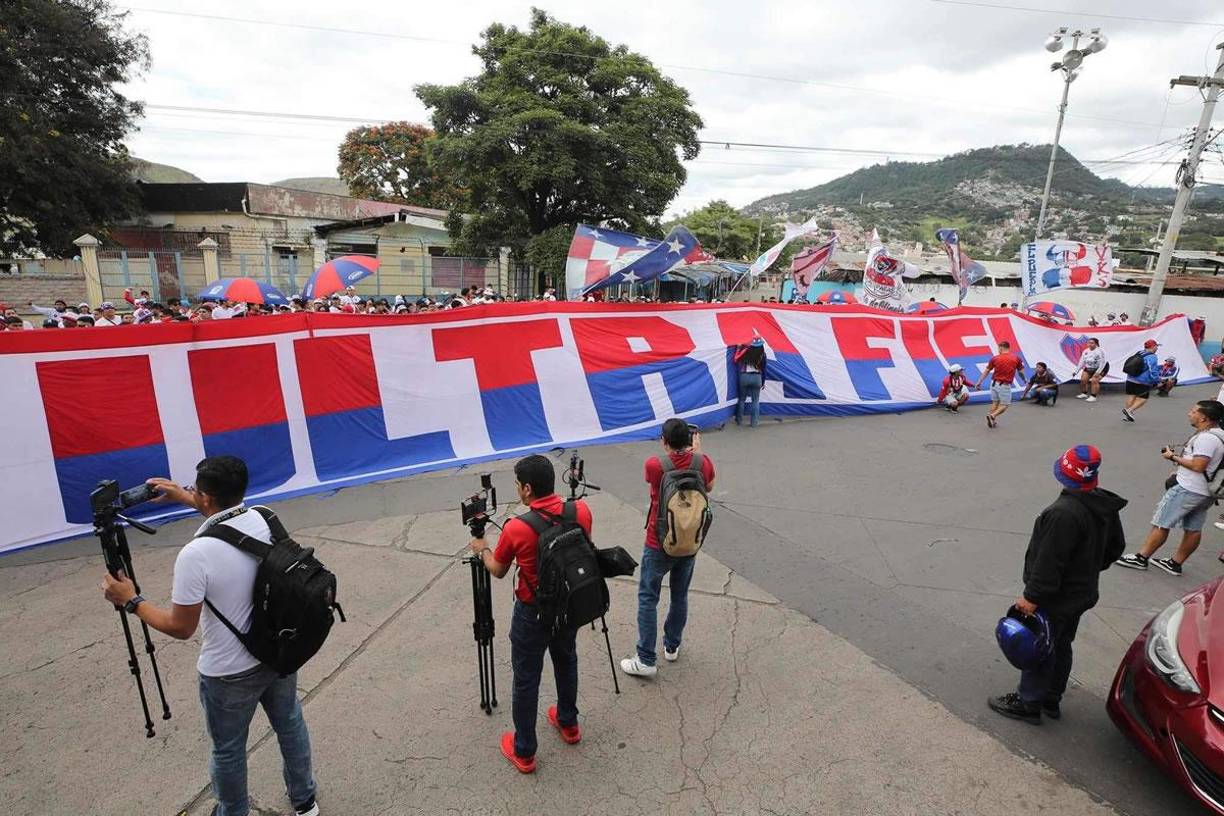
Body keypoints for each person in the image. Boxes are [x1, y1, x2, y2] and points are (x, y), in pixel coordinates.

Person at [100, 456, 320, 816]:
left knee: (228, 749)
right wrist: (184, 497)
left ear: (205, 497)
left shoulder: (196, 555)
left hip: (228, 673)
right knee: (290, 723)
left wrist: (131, 601)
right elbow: (228, 521)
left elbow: (180, 627)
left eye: (195, 492)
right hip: (279, 651)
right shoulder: (265, 517)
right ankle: (305, 801)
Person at [468, 455, 591, 774]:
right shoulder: (581, 511)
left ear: (526, 488)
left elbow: (496, 569)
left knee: (526, 679)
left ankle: (524, 751)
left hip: (531, 613)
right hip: (568, 606)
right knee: (567, 660)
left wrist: (481, 547)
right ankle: (569, 723)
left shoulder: (517, 528)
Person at [988, 445, 1126, 724]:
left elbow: (1049, 562)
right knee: (1062, 643)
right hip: (1082, 592)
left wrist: (1032, 597)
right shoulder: (1103, 505)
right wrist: (1088, 568)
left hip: (1056, 596)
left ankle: (1029, 702)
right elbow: (1115, 548)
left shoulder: (1062, 513)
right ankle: (1051, 697)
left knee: (1040, 646)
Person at [622, 419, 716, 679]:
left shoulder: (655, 465)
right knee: (680, 594)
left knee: (648, 597)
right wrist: (696, 454)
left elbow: (654, 481)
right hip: (690, 540)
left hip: (658, 541)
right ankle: (672, 645)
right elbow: (709, 486)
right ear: (690, 439)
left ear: (664, 441)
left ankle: (645, 658)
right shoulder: (703, 462)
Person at [1116, 400, 1224, 576]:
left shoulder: (1207, 439)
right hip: (1205, 492)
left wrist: (1172, 457)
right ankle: (1175, 563)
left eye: (1194, 411)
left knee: (1161, 522)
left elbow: (1198, 465)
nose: (1190, 413)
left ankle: (1141, 557)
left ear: (1204, 417)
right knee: (1193, 528)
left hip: (1189, 489)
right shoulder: (1219, 434)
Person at [976, 340, 1026, 429]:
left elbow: (987, 371)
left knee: (995, 402)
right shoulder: (1016, 358)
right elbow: (1021, 372)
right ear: (1008, 348)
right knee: (1005, 405)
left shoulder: (995, 358)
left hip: (994, 383)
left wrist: (979, 382)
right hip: (1004, 385)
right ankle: (992, 416)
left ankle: (992, 420)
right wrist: (1024, 380)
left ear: (1001, 348)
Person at [1121, 339, 1161, 422]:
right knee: (1143, 398)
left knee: (1131, 395)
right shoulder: (1152, 356)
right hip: (1142, 381)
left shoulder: (1139, 353)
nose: (1157, 348)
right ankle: (1129, 410)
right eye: (1156, 346)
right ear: (1153, 347)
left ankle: (1128, 415)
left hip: (1130, 378)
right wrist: (1157, 380)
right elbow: (1152, 370)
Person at [732, 336, 767, 427]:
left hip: (744, 377)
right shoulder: (763, 355)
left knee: (742, 399)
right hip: (757, 378)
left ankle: (739, 421)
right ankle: (754, 423)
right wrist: (763, 382)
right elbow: (764, 369)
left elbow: (735, 359)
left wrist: (739, 348)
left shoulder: (746, 351)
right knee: (755, 401)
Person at [1073, 338, 1107, 402]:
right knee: (1083, 380)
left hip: (1101, 367)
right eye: (1088, 343)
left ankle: (1093, 396)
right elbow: (1081, 362)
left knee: (1094, 380)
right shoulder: (1085, 351)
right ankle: (1084, 393)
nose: (1090, 344)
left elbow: (1103, 362)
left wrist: (1098, 372)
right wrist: (1076, 371)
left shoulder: (1100, 351)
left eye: (1092, 343)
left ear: (1096, 344)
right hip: (1089, 367)